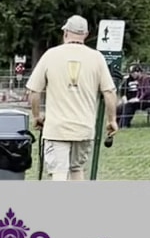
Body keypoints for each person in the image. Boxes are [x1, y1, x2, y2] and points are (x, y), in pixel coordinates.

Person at [26, 15, 117, 181]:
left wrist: (37, 116)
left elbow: (34, 92)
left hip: (57, 129)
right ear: (86, 34)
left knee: (58, 172)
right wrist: (112, 120)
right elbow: (109, 92)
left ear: (66, 32)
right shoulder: (97, 57)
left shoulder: (51, 55)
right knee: (77, 169)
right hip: (84, 128)